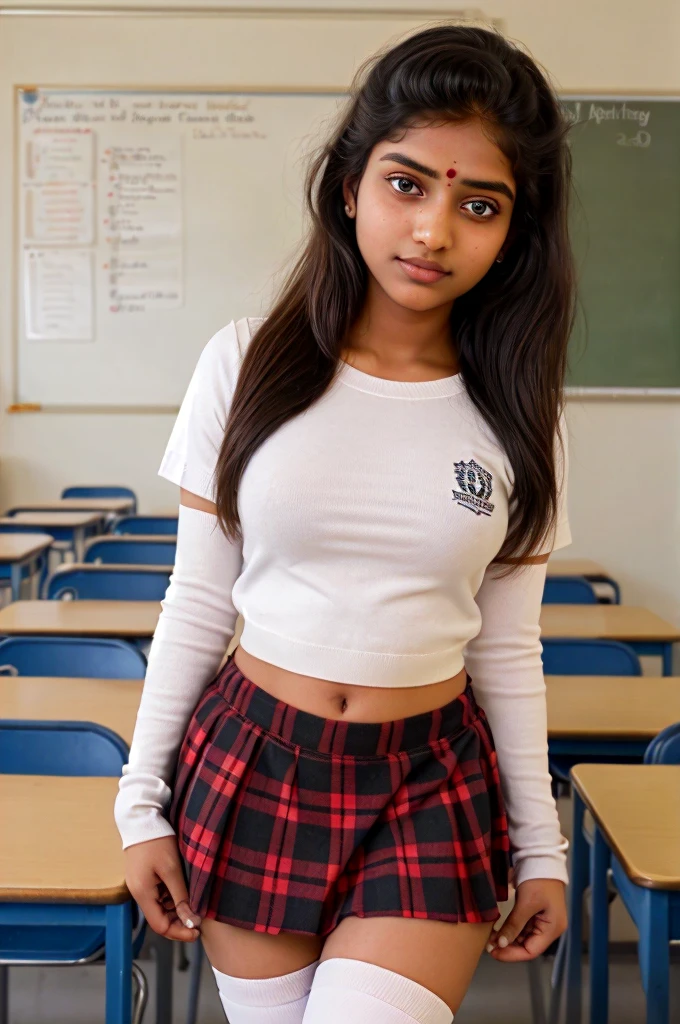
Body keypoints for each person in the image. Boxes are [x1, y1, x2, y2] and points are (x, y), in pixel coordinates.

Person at [115, 23, 575, 1024]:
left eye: (477, 204)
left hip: (428, 778)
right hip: (253, 760)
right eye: (406, 184)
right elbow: (195, 597)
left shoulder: (518, 410)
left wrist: (542, 844)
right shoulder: (242, 363)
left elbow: (507, 646)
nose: (432, 232)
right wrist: (136, 803)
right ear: (348, 186)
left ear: (513, 231)